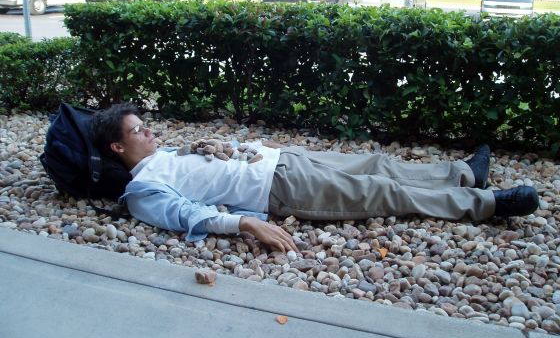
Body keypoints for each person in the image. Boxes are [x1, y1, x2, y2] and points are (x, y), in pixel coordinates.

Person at [91, 103, 539, 253]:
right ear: (117, 147)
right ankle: (489, 204)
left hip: (284, 158)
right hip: (281, 189)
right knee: (382, 192)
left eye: (145, 125)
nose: (150, 132)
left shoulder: (165, 153)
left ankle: (462, 174)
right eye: (139, 130)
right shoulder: (141, 190)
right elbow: (183, 214)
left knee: (374, 164)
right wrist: (244, 223)